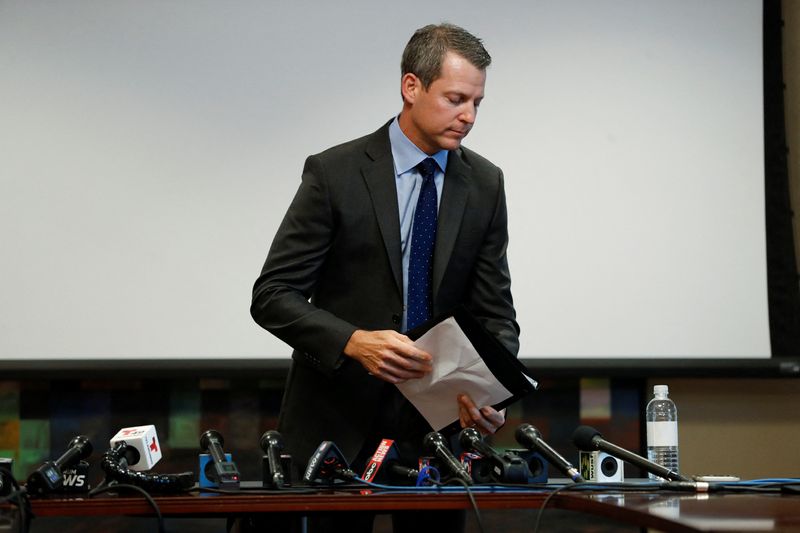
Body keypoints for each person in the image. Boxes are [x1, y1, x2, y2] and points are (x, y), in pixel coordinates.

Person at [250, 22, 519, 533]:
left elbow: (495, 314)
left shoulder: (485, 183)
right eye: (456, 98)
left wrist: (491, 393)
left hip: (435, 436)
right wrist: (353, 341)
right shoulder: (336, 173)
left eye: (477, 103)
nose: (468, 117)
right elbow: (272, 295)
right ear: (411, 87)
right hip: (334, 427)